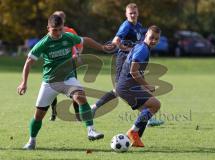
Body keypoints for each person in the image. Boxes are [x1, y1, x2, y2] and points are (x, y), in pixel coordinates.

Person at [17, 14, 114, 150]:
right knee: (38, 116)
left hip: (68, 79)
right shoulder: (43, 43)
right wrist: (24, 82)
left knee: (81, 97)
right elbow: (29, 62)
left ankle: (91, 131)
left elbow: (85, 40)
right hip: (50, 82)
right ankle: (31, 141)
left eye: (60, 29)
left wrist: (102, 48)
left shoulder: (68, 37)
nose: (58, 33)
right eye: (54, 30)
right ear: (48, 28)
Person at [91, 3, 163, 127]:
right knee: (120, 89)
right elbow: (116, 41)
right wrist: (129, 50)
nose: (133, 15)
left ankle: (147, 116)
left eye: (135, 13)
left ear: (138, 13)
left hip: (133, 59)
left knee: (125, 89)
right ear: (126, 14)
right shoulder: (126, 26)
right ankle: (94, 107)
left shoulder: (139, 26)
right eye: (130, 13)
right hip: (124, 59)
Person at [116, 25, 161, 147]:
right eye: (151, 37)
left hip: (127, 86)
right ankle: (133, 132)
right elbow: (134, 72)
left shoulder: (142, 46)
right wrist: (147, 86)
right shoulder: (143, 49)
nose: (154, 41)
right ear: (146, 35)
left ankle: (136, 138)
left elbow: (137, 72)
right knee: (155, 105)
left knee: (147, 110)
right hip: (127, 87)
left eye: (157, 39)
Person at [49, 11, 83, 121]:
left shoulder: (71, 31)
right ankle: (54, 112)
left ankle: (77, 114)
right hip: (54, 66)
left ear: (64, 20)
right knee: (51, 90)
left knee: (75, 90)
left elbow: (79, 45)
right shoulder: (52, 30)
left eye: (61, 17)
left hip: (70, 65)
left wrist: (77, 54)